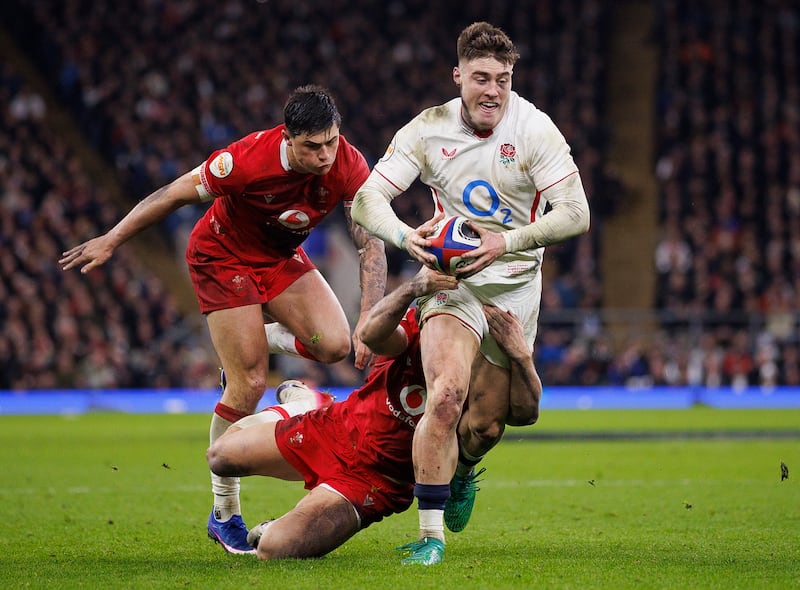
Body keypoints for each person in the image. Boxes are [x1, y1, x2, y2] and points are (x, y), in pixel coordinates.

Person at [59, 85, 387, 553]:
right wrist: (112, 238)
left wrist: (369, 313)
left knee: (335, 345)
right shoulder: (246, 160)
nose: (324, 155)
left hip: (278, 257)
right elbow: (172, 195)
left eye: (331, 142)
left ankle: (252, 339)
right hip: (222, 256)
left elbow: (370, 239)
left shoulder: (349, 163)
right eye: (312, 146)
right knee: (249, 383)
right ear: (289, 138)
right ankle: (224, 511)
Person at [350, 22, 590, 564]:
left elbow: (577, 214)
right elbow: (367, 202)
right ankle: (430, 539)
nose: (493, 91)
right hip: (452, 282)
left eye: (503, 79)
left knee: (487, 425)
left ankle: (460, 469)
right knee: (446, 395)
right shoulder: (427, 130)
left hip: (515, 288)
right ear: (457, 75)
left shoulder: (535, 130)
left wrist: (506, 242)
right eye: (481, 78)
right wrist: (406, 238)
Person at [205, 266, 541, 561]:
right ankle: (306, 403)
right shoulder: (428, 324)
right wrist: (412, 288)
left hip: (376, 482)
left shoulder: (494, 365)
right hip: (338, 428)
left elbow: (519, 416)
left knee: (273, 549)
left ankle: (459, 480)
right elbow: (372, 337)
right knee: (220, 456)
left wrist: (522, 357)